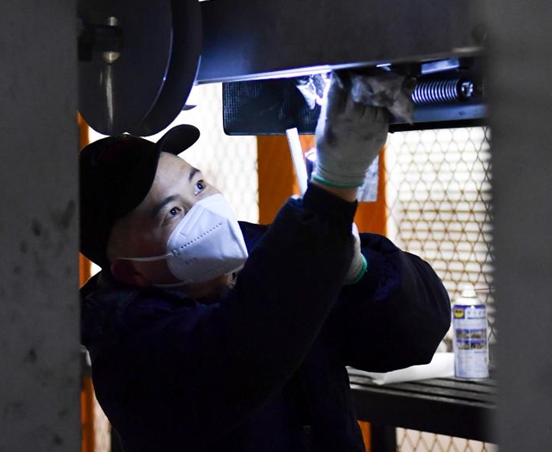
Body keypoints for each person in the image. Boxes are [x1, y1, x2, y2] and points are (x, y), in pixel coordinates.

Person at [79, 73, 451, 452]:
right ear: (130, 270)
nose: (204, 210)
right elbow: (243, 346)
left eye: (198, 186)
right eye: (173, 211)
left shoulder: (266, 251)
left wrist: (361, 272)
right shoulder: (128, 345)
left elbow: (413, 338)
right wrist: (333, 188)